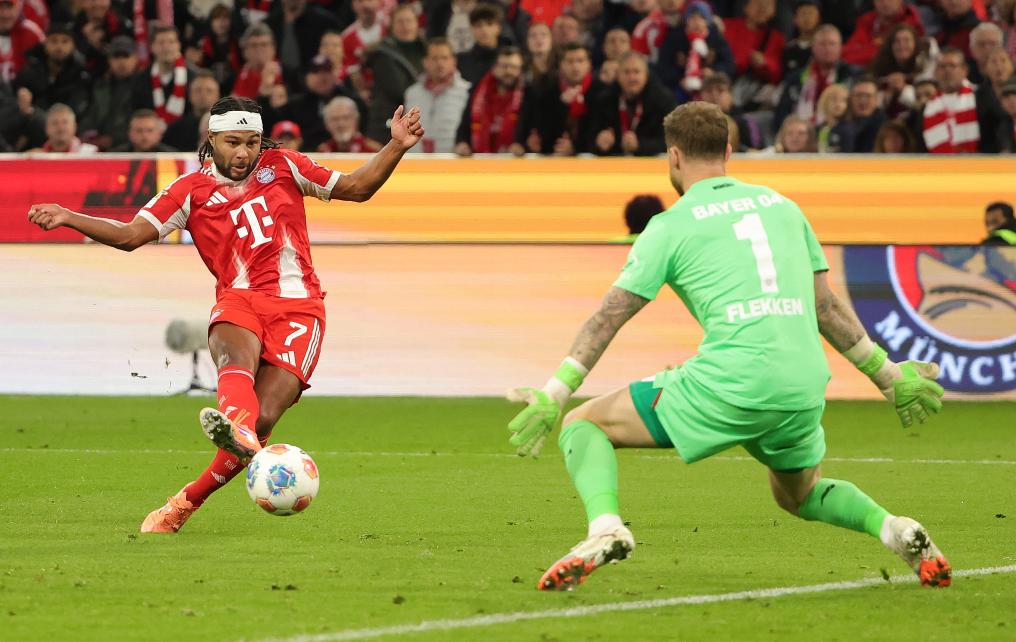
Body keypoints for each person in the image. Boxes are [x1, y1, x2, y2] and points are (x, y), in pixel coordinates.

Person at [506, 100, 950, 592]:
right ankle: (895, 529)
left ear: (674, 156)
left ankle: (606, 529)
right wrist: (887, 375)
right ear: (729, 152)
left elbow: (610, 315)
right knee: (799, 494)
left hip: (732, 382)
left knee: (584, 424)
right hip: (802, 382)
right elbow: (825, 307)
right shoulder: (784, 208)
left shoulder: (669, 225)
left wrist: (556, 390)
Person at [27, 96, 424, 533]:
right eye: (233, 142)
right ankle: (237, 433)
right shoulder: (188, 191)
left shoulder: (285, 165)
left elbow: (356, 187)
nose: (243, 153)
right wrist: (69, 216)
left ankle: (188, 498)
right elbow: (129, 235)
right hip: (239, 299)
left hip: (299, 307)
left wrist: (396, 145)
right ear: (212, 139)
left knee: (263, 419)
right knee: (236, 364)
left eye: (252, 142)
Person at [586, 51, 676, 156]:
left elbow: (672, 140)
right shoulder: (604, 100)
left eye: (636, 72)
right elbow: (587, 138)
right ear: (618, 76)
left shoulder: (663, 100)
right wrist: (598, 142)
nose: (631, 78)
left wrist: (641, 145)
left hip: (649, 160)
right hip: (613, 160)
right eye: (626, 72)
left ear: (646, 75)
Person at [404, 37, 471, 153]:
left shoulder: (467, 91)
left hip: (452, 159)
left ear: (454, 61)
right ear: (425, 62)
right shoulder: (412, 93)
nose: (440, 63)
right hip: (416, 159)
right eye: (434, 58)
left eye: (444, 58)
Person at [455, 45, 525, 155]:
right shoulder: (477, 91)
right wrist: (462, 143)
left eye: (514, 67)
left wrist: (523, 145)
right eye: (504, 66)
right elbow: (464, 127)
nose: (508, 71)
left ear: (520, 70)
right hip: (480, 160)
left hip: (515, 161)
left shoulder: (527, 95)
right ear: (494, 68)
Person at [79, 34, 140, 150]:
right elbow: (91, 114)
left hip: (129, 147)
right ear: (109, 60)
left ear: (135, 58)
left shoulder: (143, 85)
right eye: (116, 57)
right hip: (96, 145)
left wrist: (115, 139)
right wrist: (85, 134)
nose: (121, 62)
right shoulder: (100, 85)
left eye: (126, 56)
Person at [922, 47, 979, 153]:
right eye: (942, 66)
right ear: (935, 72)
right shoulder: (926, 108)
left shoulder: (979, 97)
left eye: (952, 66)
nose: (947, 70)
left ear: (964, 70)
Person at [164, 70, 220, 152]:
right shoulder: (175, 129)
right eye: (198, 90)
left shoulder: (225, 128)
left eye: (209, 91)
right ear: (190, 95)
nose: (203, 95)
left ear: (218, 96)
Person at [0, 0, 45, 83]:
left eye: (9, 7)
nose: (5, 14)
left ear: (18, 9)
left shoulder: (32, 33)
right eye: (1, 8)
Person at [30, 102, 99, 153]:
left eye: (65, 122)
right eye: (55, 123)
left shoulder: (91, 154)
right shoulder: (35, 158)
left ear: (74, 126)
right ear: (46, 128)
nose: (60, 127)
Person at [109, 108, 176, 151]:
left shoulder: (173, 157)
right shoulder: (115, 157)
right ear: (130, 133)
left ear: (159, 134)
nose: (144, 135)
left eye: (149, 130)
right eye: (139, 130)